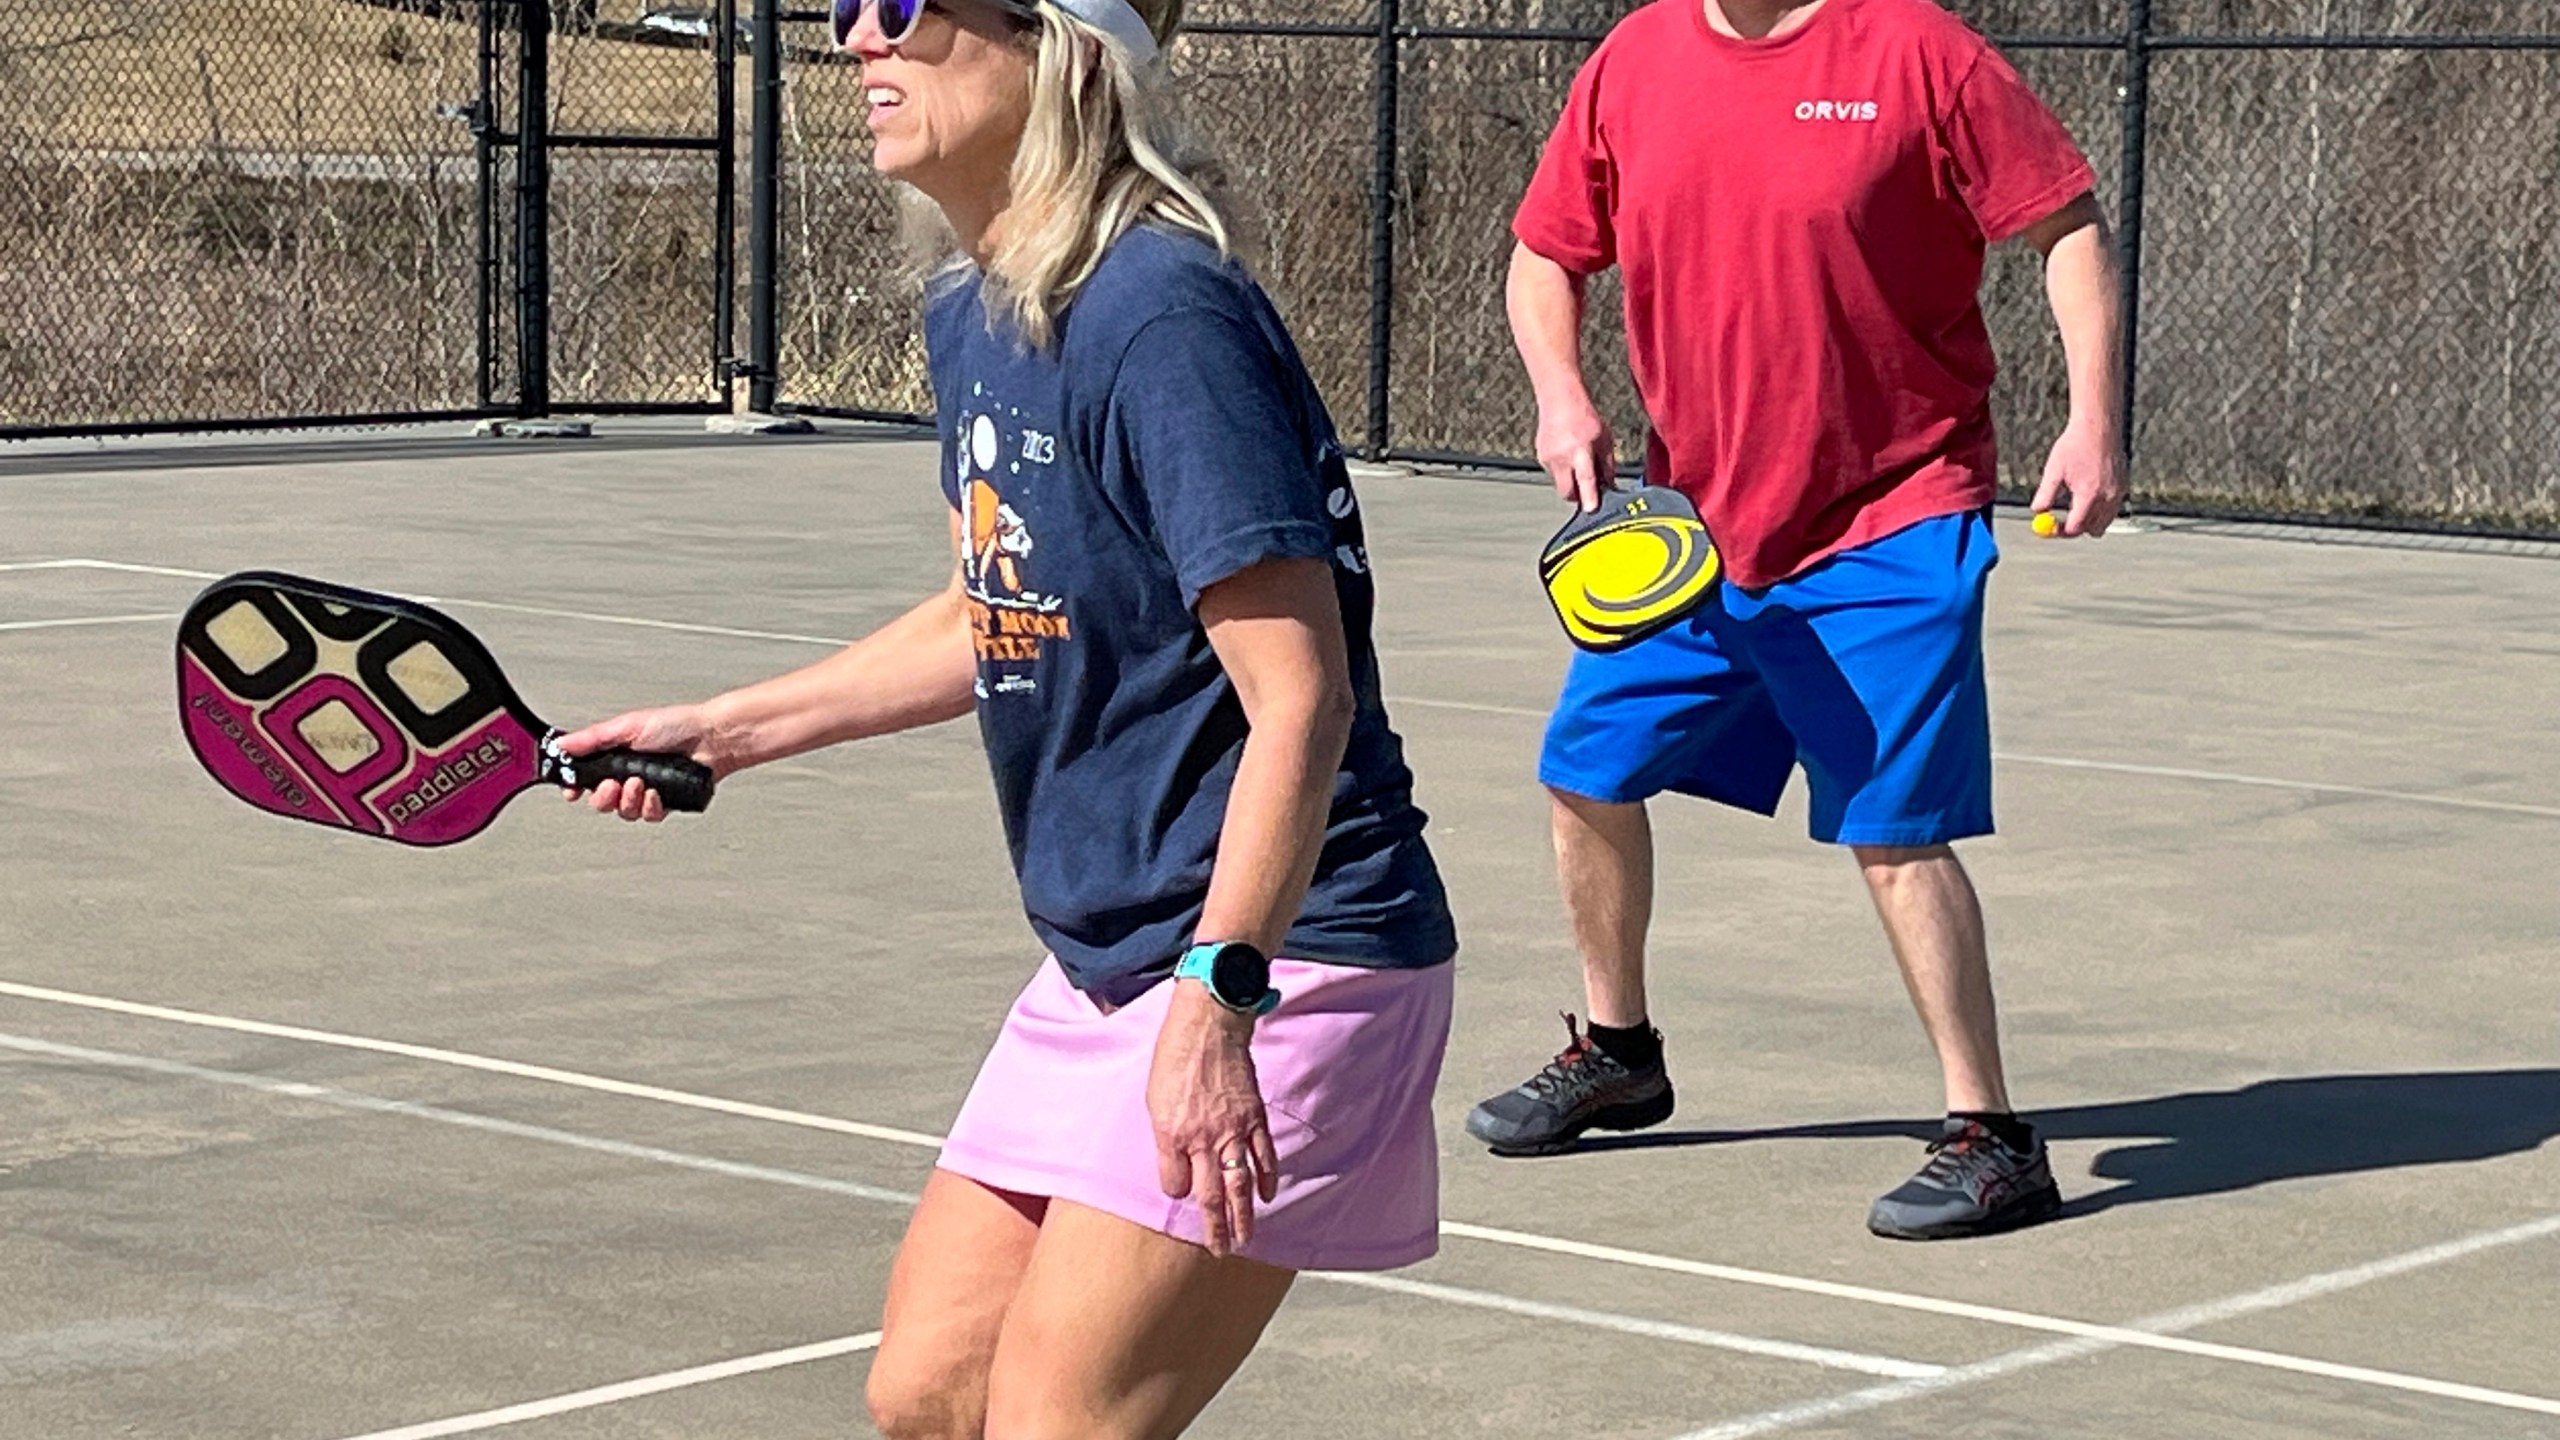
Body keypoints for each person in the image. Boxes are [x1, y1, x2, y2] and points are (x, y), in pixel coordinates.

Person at [558, 0, 1459, 1432]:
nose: (858, 39)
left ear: (1062, 45)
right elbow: (1004, 597)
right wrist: (727, 727)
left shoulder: (1160, 314)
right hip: (1107, 957)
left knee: (1060, 1420)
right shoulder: (982, 302)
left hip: (1287, 951)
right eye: (848, 8)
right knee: (930, 1393)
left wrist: (1220, 1004)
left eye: (905, 7)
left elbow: (1304, 695)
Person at [1465, 0, 2127, 1241]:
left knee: (1895, 832)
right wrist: (1560, 393)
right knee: (1585, 773)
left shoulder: (1917, 51)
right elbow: (1542, 252)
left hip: (1893, 514)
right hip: (1696, 533)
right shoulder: (1637, 57)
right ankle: (1620, 1053)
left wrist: (2091, 417)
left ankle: (1990, 1134)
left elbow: (2064, 223)